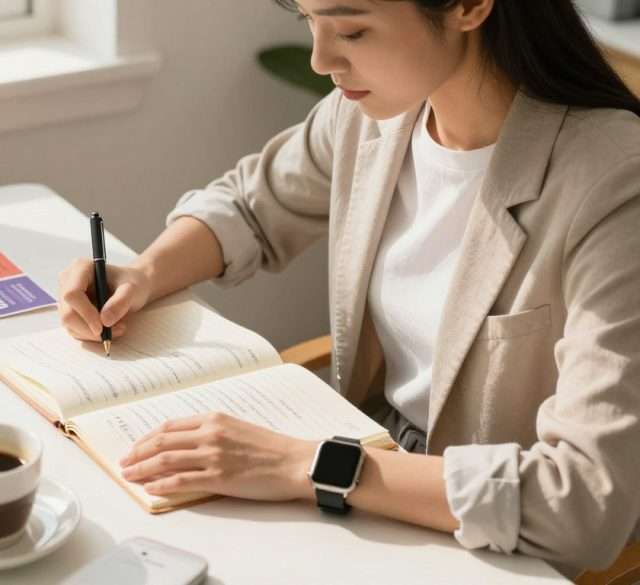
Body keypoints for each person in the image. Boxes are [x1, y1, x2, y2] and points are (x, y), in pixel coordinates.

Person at [57, 0, 640, 577]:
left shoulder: (614, 182)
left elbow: (583, 501)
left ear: (469, 6)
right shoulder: (372, 117)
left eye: (353, 31)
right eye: (309, 22)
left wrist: (304, 464)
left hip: (483, 538)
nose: (319, 60)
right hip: (370, 480)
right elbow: (250, 204)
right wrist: (145, 273)